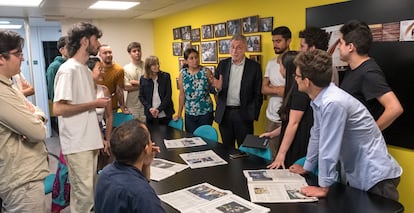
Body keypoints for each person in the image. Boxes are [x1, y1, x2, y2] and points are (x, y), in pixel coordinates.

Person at [290, 49, 402, 201]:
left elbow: (329, 146)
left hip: (376, 179)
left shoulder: (333, 102)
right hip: (359, 174)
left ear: (307, 81)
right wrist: (307, 167)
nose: (295, 79)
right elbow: (316, 134)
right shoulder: (320, 99)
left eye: (297, 76)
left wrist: (324, 187)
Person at [53, 22, 109, 213]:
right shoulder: (68, 70)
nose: (99, 45)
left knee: (90, 195)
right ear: (85, 41)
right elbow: (58, 108)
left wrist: (99, 137)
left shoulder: (84, 69)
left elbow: (86, 112)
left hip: (89, 142)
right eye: (96, 40)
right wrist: (94, 104)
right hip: (77, 145)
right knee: (83, 199)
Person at [0, 30, 49, 212]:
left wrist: (36, 117)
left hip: (25, 177)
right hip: (21, 183)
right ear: (1, 59)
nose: (22, 58)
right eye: (18, 54)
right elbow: (38, 132)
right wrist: (35, 120)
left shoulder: (9, 84)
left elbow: (35, 111)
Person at [338, 20, 403, 131]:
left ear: (350, 47)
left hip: (363, 146)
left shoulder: (369, 72)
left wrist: (370, 133)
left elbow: (395, 108)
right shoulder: (353, 69)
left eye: (340, 43)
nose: (338, 47)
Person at [95, 119, 165, 212]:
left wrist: (146, 165)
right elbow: (140, 191)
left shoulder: (105, 173)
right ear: (147, 148)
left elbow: (139, 182)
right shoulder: (142, 195)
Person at [262, 51, 313, 169]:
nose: (279, 68)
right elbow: (288, 122)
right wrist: (272, 134)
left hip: (297, 144)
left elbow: (294, 123)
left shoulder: (298, 91)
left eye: (280, 65)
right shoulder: (292, 87)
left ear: (287, 68)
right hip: (292, 140)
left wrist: (281, 154)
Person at [212, 34, 263, 148]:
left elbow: (258, 94)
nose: (234, 51)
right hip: (225, 114)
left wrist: (252, 114)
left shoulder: (254, 67)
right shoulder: (222, 64)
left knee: (245, 149)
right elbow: (213, 86)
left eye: (238, 47)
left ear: (245, 48)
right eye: (232, 47)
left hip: (243, 114)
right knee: (227, 149)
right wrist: (217, 88)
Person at [261, 26, 291, 157]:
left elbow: (294, 90)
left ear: (288, 41)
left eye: (278, 41)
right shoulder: (271, 63)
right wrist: (280, 89)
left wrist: (272, 89)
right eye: (273, 41)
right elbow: (263, 88)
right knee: (272, 155)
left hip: (288, 117)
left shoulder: (294, 61)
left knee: (287, 155)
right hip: (271, 116)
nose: (275, 45)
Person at [174, 48, 214, 133]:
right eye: (191, 58)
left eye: (196, 57)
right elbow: (182, 95)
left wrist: (218, 109)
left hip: (205, 111)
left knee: (205, 139)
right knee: (191, 139)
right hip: (189, 113)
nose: (195, 60)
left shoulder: (206, 72)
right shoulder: (183, 74)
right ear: (186, 61)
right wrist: (179, 113)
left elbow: (215, 90)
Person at [87, 56, 113, 170]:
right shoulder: (83, 92)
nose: (103, 72)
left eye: (103, 69)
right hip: (88, 133)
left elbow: (109, 116)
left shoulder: (104, 90)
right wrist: (99, 139)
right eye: (99, 69)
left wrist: (107, 139)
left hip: (101, 131)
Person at [139, 56, 175, 125]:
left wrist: (158, 109)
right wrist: (150, 108)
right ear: (148, 66)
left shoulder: (166, 76)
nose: (157, 66)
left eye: (158, 64)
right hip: (150, 114)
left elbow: (168, 95)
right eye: (154, 65)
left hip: (165, 112)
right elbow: (141, 96)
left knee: (167, 134)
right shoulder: (143, 79)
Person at [98, 44, 129, 114]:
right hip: (97, 106)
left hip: (111, 107)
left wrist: (122, 107)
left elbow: (119, 91)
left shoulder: (119, 70)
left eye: (110, 52)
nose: (108, 55)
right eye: (105, 53)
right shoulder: (96, 68)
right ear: (99, 55)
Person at [124, 42, 146, 121]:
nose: (137, 53)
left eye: (139, 50)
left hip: (146, 105)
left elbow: (152, 83)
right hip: (132, 106)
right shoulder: (126, 68)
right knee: (133, 130)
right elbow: (126, 87)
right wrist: (145, 84)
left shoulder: (147, 66)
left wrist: (135, 83)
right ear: (130, 53)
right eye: (134, 51)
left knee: (146, 129)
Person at [47, 36, 68, 101]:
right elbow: (52, 91)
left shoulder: (75, 64)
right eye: (70, 47)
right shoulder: (54, 67)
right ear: (61, 50)